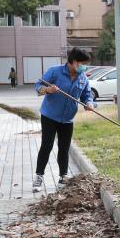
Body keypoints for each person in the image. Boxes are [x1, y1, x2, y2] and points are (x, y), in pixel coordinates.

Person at [32, 48, 95, 191]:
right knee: (46, 145)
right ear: (73, 62)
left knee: (64, 148)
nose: (84, 67)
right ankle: (39, 176)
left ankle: (63, 177)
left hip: (67, 119)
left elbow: (86, 95)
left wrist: (89, 104)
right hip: (50, 115)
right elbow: (37, 86)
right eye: (82, 63)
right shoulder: (55, 71)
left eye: (86, 64)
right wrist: (48, 90)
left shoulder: (83, 77)